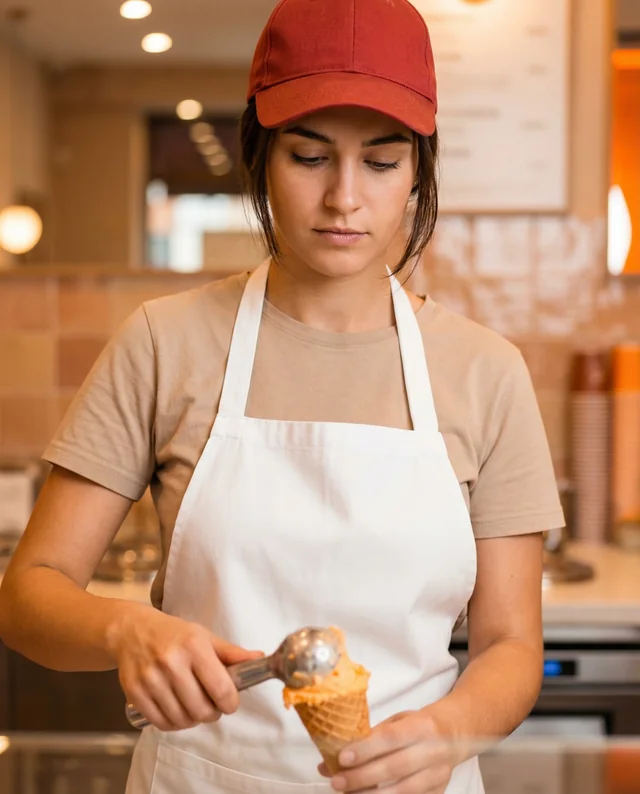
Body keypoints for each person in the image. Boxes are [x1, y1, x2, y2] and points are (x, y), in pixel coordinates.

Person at [0, 0, 565, 792]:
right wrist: (125, 628)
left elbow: (511, 645)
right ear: (260, 155)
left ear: (418, 171)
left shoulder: (486, 371)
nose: (344, 198)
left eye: (381, 161)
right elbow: (28, 596)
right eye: (309, 157)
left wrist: (447, 732)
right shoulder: (165, 342)